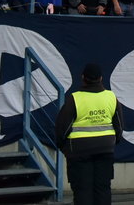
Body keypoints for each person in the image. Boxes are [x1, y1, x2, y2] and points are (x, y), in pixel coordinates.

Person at [54, 63, 122, 205]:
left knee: (82, 191)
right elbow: (119, 126)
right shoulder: (111, 97)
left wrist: (63, 147)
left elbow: (62, 128)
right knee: (103, 189)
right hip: (105, 151)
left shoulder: (75, 99)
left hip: (79, 153)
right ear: (101, 78)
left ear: (83, 78)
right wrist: (113, 142)